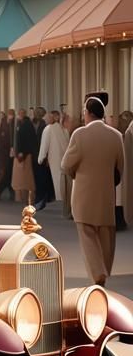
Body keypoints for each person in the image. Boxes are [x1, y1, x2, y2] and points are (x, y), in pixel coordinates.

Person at [62, 96, 124, 286]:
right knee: (106, 237)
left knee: (87, 236)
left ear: (88, 113)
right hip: (106, 195)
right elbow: (120, 168)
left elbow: (66, 165)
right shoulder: (116, 136)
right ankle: (105, 269)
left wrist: (76, 175)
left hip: (83, 195)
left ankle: (97, 273)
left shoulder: (80, 135)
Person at [38, 110, 70, 208]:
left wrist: (40, 158)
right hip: (65, 158)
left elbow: (44, 145)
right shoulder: (64, 130)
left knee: (57, 179)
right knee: (63, 179)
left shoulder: (48, 129)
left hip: (54, 158)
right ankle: (64, 199)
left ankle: (59, 199)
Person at [12, 108, 37, 203]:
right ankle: (26, 197)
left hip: (25, 154)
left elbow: (24, 140)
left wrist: (21, 152)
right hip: (26, 153)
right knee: (26, 178)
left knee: (26, 178)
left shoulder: (25, 125)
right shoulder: (24, 124)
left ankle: (27, 198)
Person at [0, 109, 15, 200]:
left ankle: (1, 191)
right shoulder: (4, 124)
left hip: (8, 153)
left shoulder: (12, 123)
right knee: (4, 173)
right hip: (4, 153)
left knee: (7, 173)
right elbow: (2, 138)